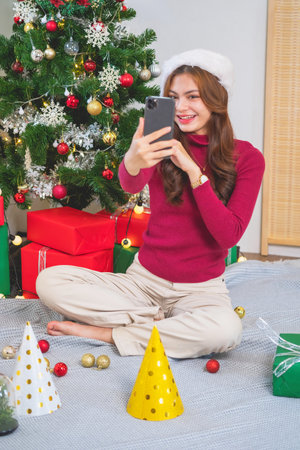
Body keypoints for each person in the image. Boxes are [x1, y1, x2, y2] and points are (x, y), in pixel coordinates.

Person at [36, 49, 265, 359]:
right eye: (173, 97)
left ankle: (112, 333)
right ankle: (159, 324)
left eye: (193, 97)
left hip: (200, 291)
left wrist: (194, 172)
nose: (181, 108)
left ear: (216, 99)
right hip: (143, 283)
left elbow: (229, 235)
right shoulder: (159, 142)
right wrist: (132, 159)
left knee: (225, 331)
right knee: (49, 281)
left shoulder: (248, 158)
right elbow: (130, 183)